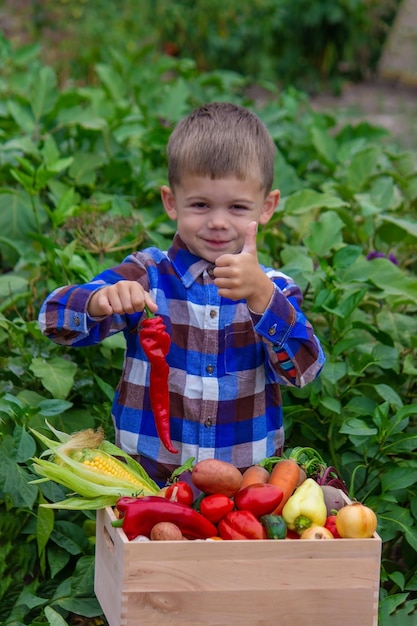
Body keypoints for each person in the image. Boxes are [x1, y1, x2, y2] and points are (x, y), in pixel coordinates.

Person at [39, 102, 325, 486]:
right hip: (148, 482)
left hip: (245, 490)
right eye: (200, 205)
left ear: (267, 206)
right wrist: (98, 301)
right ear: (171, 202)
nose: (218, 222)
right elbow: (53, 318)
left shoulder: (273, 287)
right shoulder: (148, 275)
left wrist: (261, 297)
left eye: (238, 207)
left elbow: (304, 371)